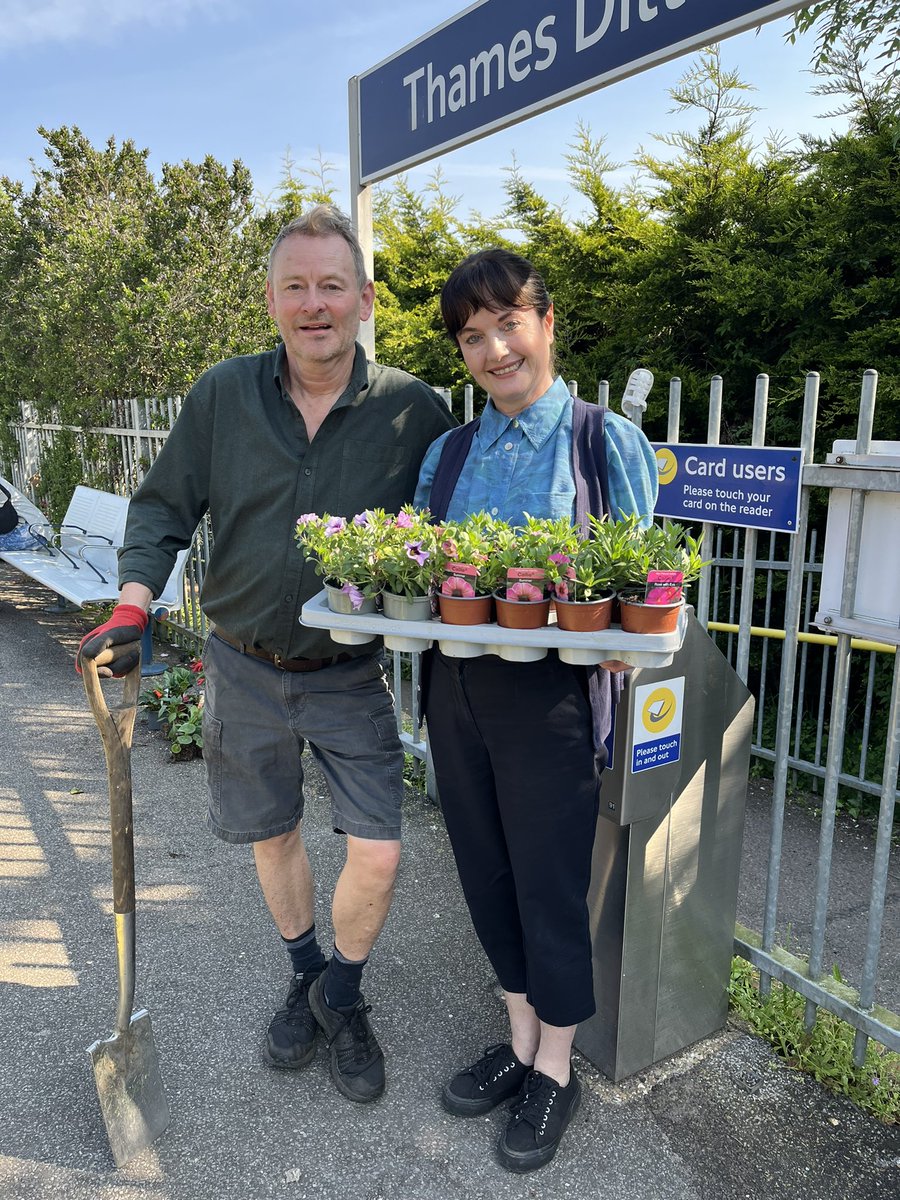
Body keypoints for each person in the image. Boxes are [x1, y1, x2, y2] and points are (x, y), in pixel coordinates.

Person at [77, 204, 456, 1104]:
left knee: (379, 850)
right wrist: (133, 607)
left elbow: (450, 535)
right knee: (273, 831)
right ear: (272, 299)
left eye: (332, 286)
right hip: (241, 664)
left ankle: (344, 992)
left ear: (365, 300)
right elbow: (164, 506)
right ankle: (304, 974)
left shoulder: (414, 412)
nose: (314, 305)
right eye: (297, 287)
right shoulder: (222, 396)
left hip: (346, 671)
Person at [414, 248, 658, 1172]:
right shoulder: (448, 454)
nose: (494, 349)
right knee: (482, 870)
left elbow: (648, 590)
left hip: (555, 698)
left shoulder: (601, 443)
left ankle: (557, 1069)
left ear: (547, 324)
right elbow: (418, 573)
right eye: (473, 336)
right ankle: (518, 1039)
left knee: (551, 881)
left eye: (509, 323)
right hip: (455, 688)